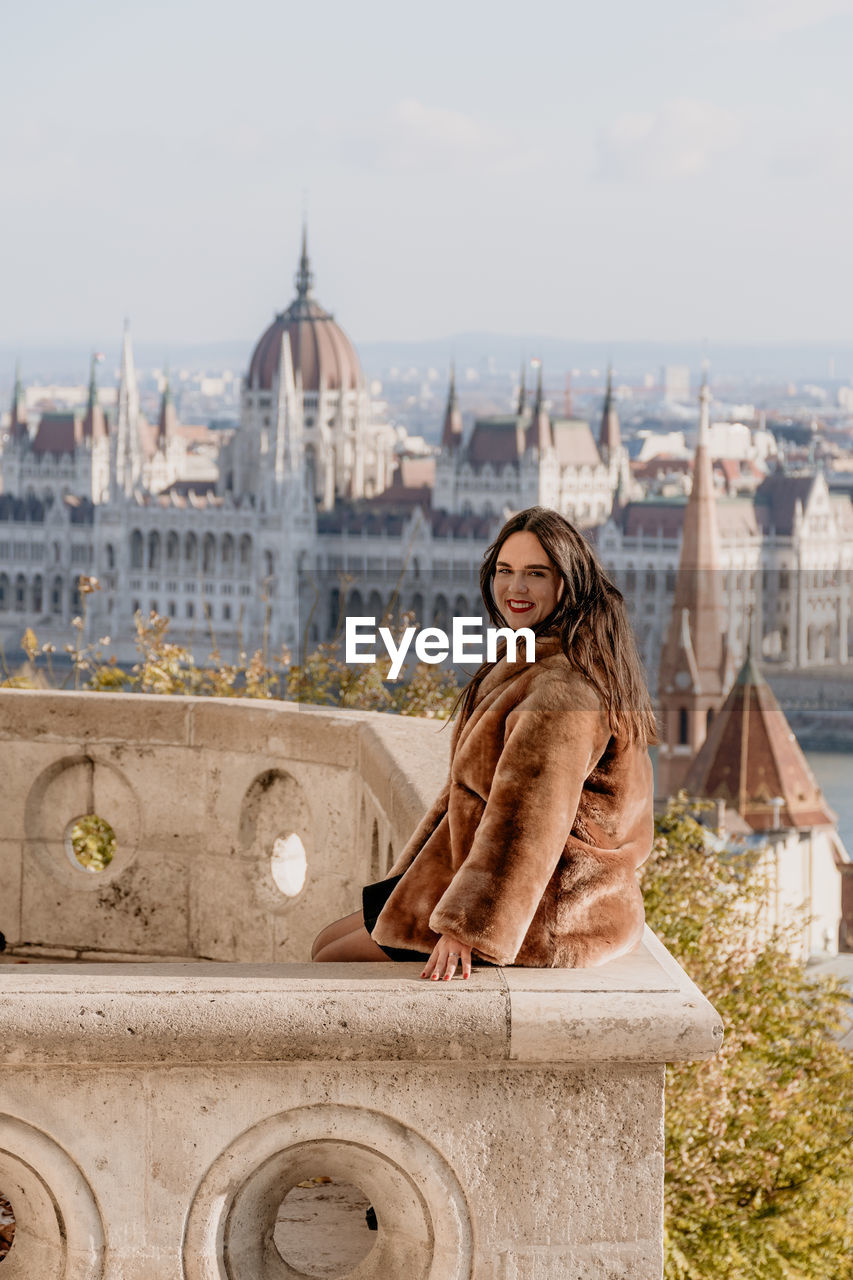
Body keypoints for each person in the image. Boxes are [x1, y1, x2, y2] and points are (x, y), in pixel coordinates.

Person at [311, 506, 657, 980]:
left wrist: (471, 929)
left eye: (535, 574)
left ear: (566, 583)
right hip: (518, 889)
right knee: (326, 943)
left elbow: (528, 820)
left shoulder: (562, 689)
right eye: (505, 571)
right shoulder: (544, 654)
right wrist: (408, 884)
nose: (515, 588)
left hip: (551, 911)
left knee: (332, 963)